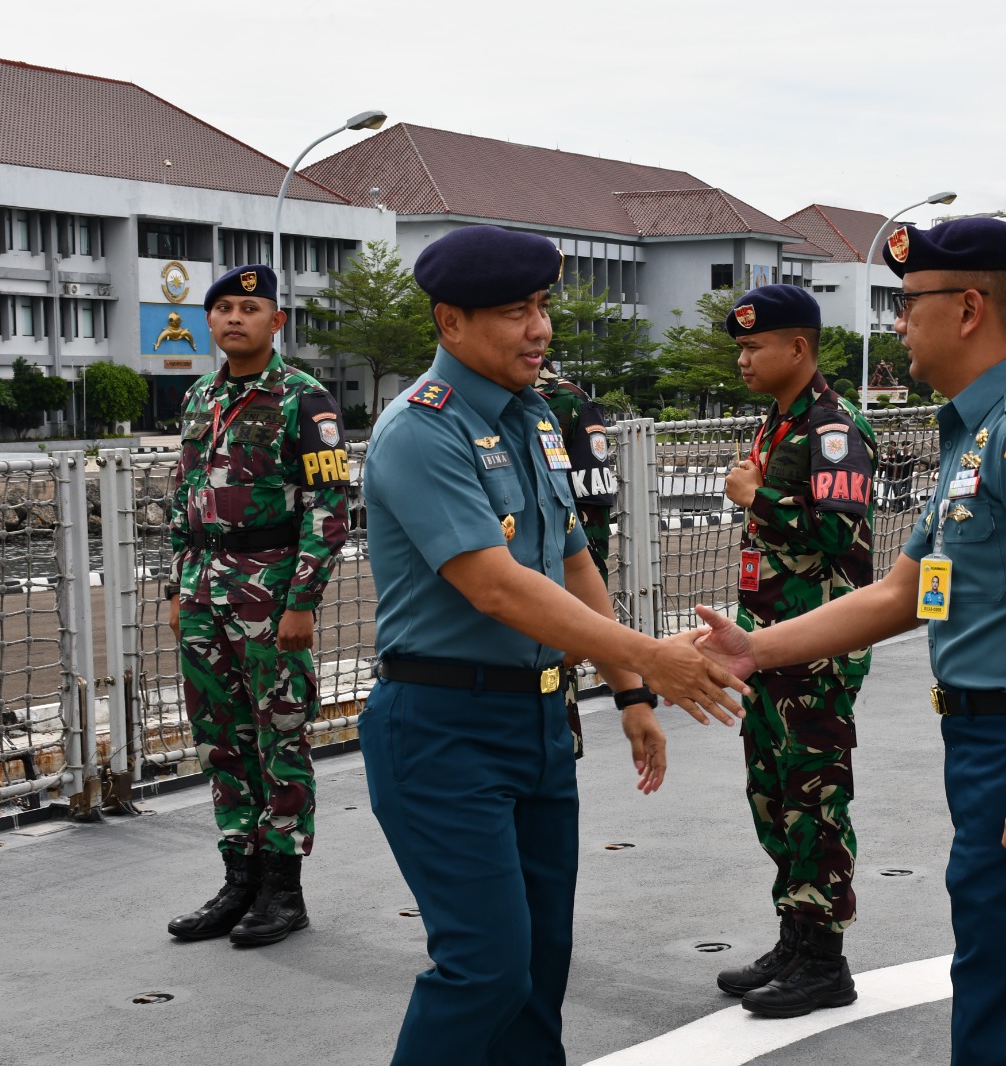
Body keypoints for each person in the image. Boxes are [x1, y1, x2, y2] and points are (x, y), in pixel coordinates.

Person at [694, 217, 1006, 1065]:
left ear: (968, 308)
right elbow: (904, 594)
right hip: (990, 740)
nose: (897, 323)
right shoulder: (972, 437)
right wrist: (756, 650)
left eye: (909, 303)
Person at [357, 225, 748, 1066]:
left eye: (541, 307)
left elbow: (573, 560)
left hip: (535, 727)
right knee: (484, 970)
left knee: (540, 967)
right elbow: (495, 584)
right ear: (449, 322)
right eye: (513, 311)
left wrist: (630, 692)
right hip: (441, 728)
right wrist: (651, 654)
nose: (539, 328)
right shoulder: (422, 430)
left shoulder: (534, 416)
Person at [165, 264, 350, 947]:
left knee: (280, 738)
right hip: (203, 592)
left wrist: (301, 602)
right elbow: (185, 498)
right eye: (223, 308)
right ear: (208, 323)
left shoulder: (304, 398)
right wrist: (177, 587)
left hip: (269, 592)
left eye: (250, 307)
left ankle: (282, 891)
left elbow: (330, 508)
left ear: (277, 322)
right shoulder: (199, 397)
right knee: (221, 740)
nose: (234, 317)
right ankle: (236, 880)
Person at [714, 284, 877, 1018]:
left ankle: (825, 959)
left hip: (816, 651)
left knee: (815, 801)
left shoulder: (832, 428)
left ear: (799, 350)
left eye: (755, 347)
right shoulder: (778, 423)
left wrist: (757, 498)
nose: (743, 359)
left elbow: (842, 536)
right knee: (773, 797)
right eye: (741, 348)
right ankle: (794, 931)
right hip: (768, 646)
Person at [534, 359, 618, 759]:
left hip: (550, 600)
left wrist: (585, 618)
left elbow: (591, 514)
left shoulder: (567, 401)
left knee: (551, 758)